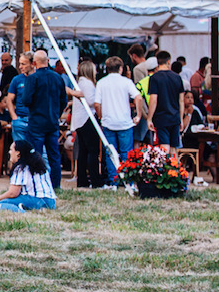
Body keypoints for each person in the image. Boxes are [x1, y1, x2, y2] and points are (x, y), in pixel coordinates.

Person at [23, 50, 67, 188]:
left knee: (36, 155)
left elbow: (26, 100)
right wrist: (56, 114)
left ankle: (37, 183)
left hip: (36, 121)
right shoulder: (58, 78)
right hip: (52, 121)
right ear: (48, 60)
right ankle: (56, 185)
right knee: (54, 155)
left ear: (34, 63)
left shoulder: (32, 79)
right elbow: (64, 100)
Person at [94, 56, 140, 189]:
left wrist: (102, 116)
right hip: (125, 122)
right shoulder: (126, 82)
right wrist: (138, 115)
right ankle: (128, 182)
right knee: (126, 152)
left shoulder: (102, 83)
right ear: (121, 68)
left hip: (108, 122)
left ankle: (113, 182)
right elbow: (138, 97)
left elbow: (97, 104)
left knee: (110, 153)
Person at [0, 139, 56, 211]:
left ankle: (21, 211)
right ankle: (27, 207)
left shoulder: (21, 168)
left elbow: (13, 193)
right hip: (51, 202)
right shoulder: (40, 166)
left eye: (11, 150)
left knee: (1, 204)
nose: (9, 152)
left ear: (18, 154)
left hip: (35, 200)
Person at [70, 60, 103, 188]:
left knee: (83, 151)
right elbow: (91, 101)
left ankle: (82, 180)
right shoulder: (88, 84)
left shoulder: (80, 83)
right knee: (92, 151)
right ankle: (95, 179)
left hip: (79, 120)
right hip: (87, 119)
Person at [145, 50, 184, 151]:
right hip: (175, 117)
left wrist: (149, 118)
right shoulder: (177, 78)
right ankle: (175, 166)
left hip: (161, 117)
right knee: (174, 148)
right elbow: (181, 101)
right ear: (169, 61)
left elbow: (153, 99)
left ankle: (166, 166)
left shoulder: (154, 78)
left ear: (157, 62)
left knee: (164, 146)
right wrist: (181, 119)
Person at [4, 52, 33, 141]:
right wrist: (14, 118)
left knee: (38, 150)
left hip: (35, 120)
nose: (20, 67)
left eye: (23, 64)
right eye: (20, 63)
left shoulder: (38, 78)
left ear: (32, 64)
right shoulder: (17, 79)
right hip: (20, 119)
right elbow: (9, 100)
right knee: (19, 150)